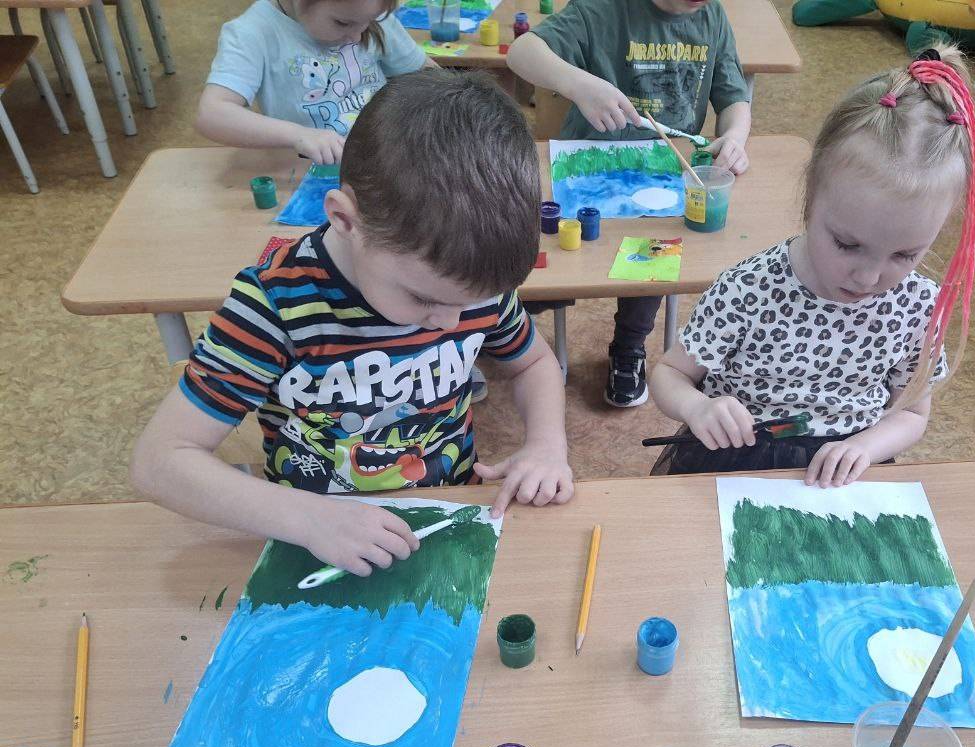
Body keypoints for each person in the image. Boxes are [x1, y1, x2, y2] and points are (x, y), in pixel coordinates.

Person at [133, 71, 574, 579]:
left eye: (473, 303)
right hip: (316, 534)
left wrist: (546, 444)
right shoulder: (275, 307)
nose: (451, 322)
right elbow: (159, 461)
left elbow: (532, 363)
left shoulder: (467, 283)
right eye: (424, 298)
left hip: (443, 516)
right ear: (345, 220)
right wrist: (309, 519)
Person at [649, 46, 975, 486]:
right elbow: (670, 373)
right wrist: (698, 407)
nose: (868, 277)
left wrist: (864, 447)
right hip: (733, 461)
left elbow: (913, 413)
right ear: (810, 198)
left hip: (845, 472)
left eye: (905, 255)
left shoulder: (919, 307)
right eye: (846, 244)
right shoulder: (748, 288)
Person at [507, 0, 753, 408]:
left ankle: (629, 346)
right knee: (556, 266)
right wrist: (578, 84)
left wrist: (735, 137)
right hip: (587, 171)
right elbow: (521, 52)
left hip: (662, 175)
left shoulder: (711, 15)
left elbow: (734, 99)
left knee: (653, 255)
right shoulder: (602, 8)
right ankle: (505, 328)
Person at [196, 0, 433, 165]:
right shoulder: (252, 33)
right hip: (312, 172)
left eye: (370, 21)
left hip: (387, 157)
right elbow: (212, 114)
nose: (357, 36)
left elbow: (427, 76)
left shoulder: (365, 11)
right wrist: (299, 135)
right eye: (342, 23)